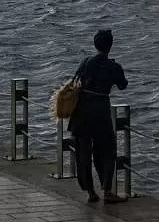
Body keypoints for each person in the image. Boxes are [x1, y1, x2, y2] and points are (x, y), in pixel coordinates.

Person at [69, 29, 129, 204]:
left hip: (82, 112)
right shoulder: (113, 67)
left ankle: (90, 192)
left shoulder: (86, 62)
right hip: (101, 113)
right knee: (108, 152)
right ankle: (108, 191)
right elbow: (123, 85)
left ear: (95, 44)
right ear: (110, 46)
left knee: (83, 153)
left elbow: (74, 81)